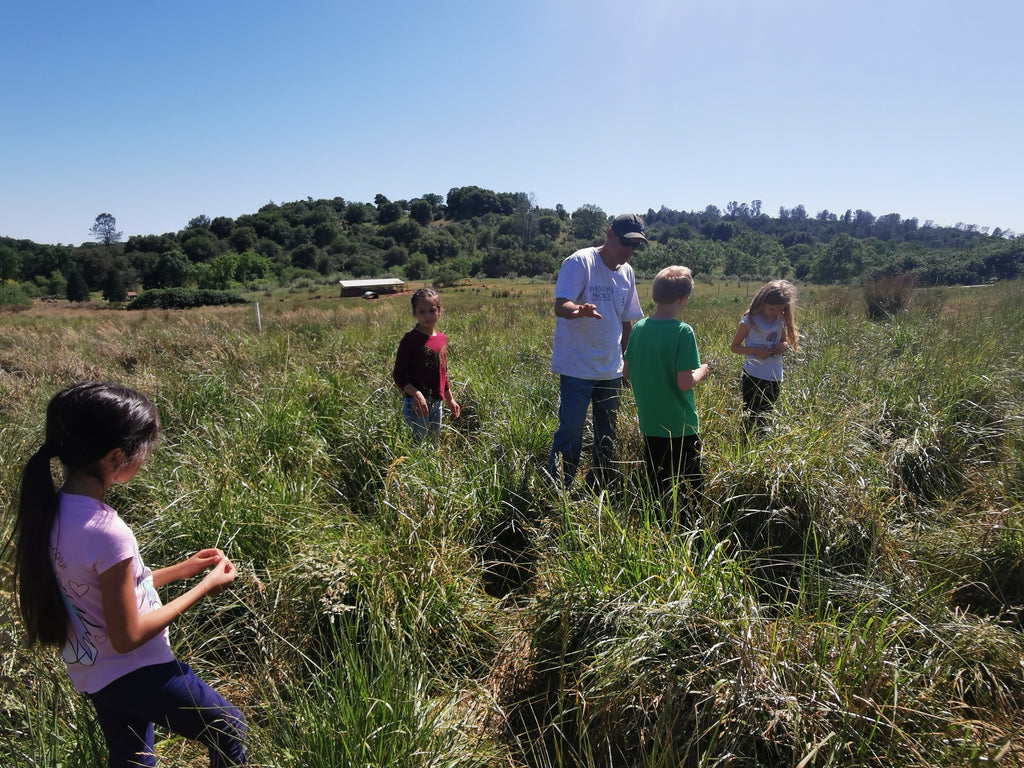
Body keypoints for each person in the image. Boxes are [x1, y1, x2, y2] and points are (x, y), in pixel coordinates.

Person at [13, 382, 246, 768]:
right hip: (137, 669)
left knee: (133, 757)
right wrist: (205, 586)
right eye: (143, 450)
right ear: (115, 457)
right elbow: (128, 636)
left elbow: (101, 594)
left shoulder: (53, 511)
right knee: (228, 726)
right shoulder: (107, 532)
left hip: (94, 673)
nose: (145, 458)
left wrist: (184, 570)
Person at [546, 213, 646, 488]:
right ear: (609, 233)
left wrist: (627, 361)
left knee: (607, 432)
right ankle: (558, 489)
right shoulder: (580, 262)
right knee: (571, 431)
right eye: (626, 242)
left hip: (611, 369)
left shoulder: (627, 273)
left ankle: (597, 486)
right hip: (577, 367)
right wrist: (578, 311)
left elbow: (627, 321)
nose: (629, 251)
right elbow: (560, 305)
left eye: (635, 246)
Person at [623, 266, 709, 519]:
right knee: (691, 482)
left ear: (654, 296)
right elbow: (684, 382)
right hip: (680, 424)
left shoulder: (638, 328)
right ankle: (691, 526)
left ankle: (658, 526)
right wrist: (702, 372)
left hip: (650, 422)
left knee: (656, 480)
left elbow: (625, 373)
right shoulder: (683, 331)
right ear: (684, 299)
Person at [728, 279, 800, 433]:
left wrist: (783, 345)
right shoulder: (750, 320)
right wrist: (754, 351)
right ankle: (745, 445)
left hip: (774, 377)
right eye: (771, 309)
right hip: (752, 376)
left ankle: (760, 446)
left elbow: (784, 341)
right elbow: (734, 347)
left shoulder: (780, 319)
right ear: (762, 302)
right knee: (749, 415)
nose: (774, 313)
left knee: (766, 417)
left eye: (779, 309)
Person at [392, 287, 460, 441]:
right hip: (416, 405)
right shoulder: (410, 340)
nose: (427, 316)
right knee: (417, 447)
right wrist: (417, 395)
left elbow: (442, 373)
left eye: (432, 310)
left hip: (437, 403)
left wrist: (450, 399)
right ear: (414, 313)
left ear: (439, 311)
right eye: (421, 311)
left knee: (433, 443)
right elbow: (399, 376)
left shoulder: (442, 339)